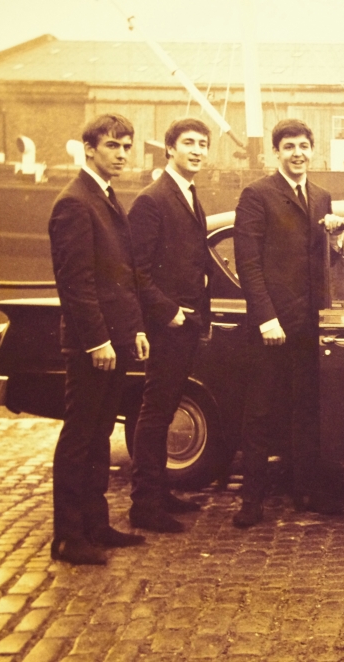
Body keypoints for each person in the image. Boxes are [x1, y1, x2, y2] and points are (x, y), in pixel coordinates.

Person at [231, 118, 344, 527]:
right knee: (260, 414)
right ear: (276, 152)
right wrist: (266, 319)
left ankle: (305, 492)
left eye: (304, 146)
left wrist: (335, 241)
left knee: (306, 411)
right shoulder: (257, 194)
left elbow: (326, 264)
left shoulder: (321, 196)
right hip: (272, 327)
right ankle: (251, 501)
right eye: (289, 146)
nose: (298, 153)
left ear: (313, 150)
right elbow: (248, 264)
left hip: (309, 326)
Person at [47, 114, 150, 565]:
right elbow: (76, 283)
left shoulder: (105, 196)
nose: (122, 154)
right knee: (80, 436)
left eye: (127, 146)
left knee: (100, 434)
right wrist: (96, 342)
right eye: (112, 146)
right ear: (89, 149)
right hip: (93, 346)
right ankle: (68, 537)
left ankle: (95, 524)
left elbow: (122, 276)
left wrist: (135, 330)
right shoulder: (74, 203)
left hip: (115, 340)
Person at [127, 118, 215, 533]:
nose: (197, 150)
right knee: (155, 412)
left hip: (186, 323)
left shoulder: (188, 194)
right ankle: (144, 505)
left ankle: (159, 492)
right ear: (170, 149)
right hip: (167, 326)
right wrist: (170, 313)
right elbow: (136, 271)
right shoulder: (153, 199)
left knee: (166, 409)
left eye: (203, 144)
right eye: (188, 143)